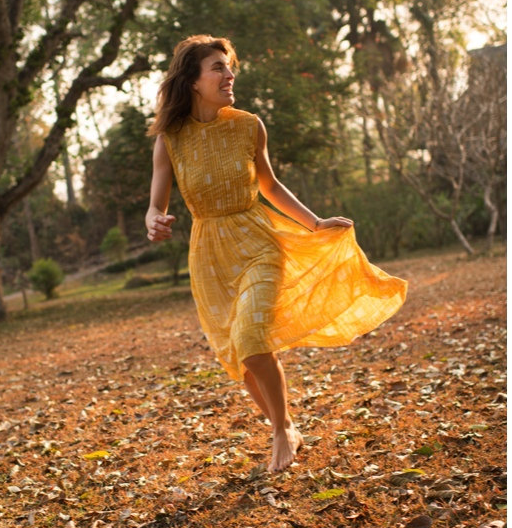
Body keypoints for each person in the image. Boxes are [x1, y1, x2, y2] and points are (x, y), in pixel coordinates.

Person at [145, 35, 406, 473]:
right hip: (209, 257)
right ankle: (286, 424)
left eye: (230, 68)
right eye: (218, 68)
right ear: (192, 80)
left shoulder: (249, 125)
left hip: (257, 241)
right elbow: (156, 203)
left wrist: (315, 222)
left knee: (252, 337)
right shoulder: (170, 139)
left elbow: (269, 186)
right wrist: (154, 219)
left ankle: (281, 429)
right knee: (242, 358)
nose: (229, 76)